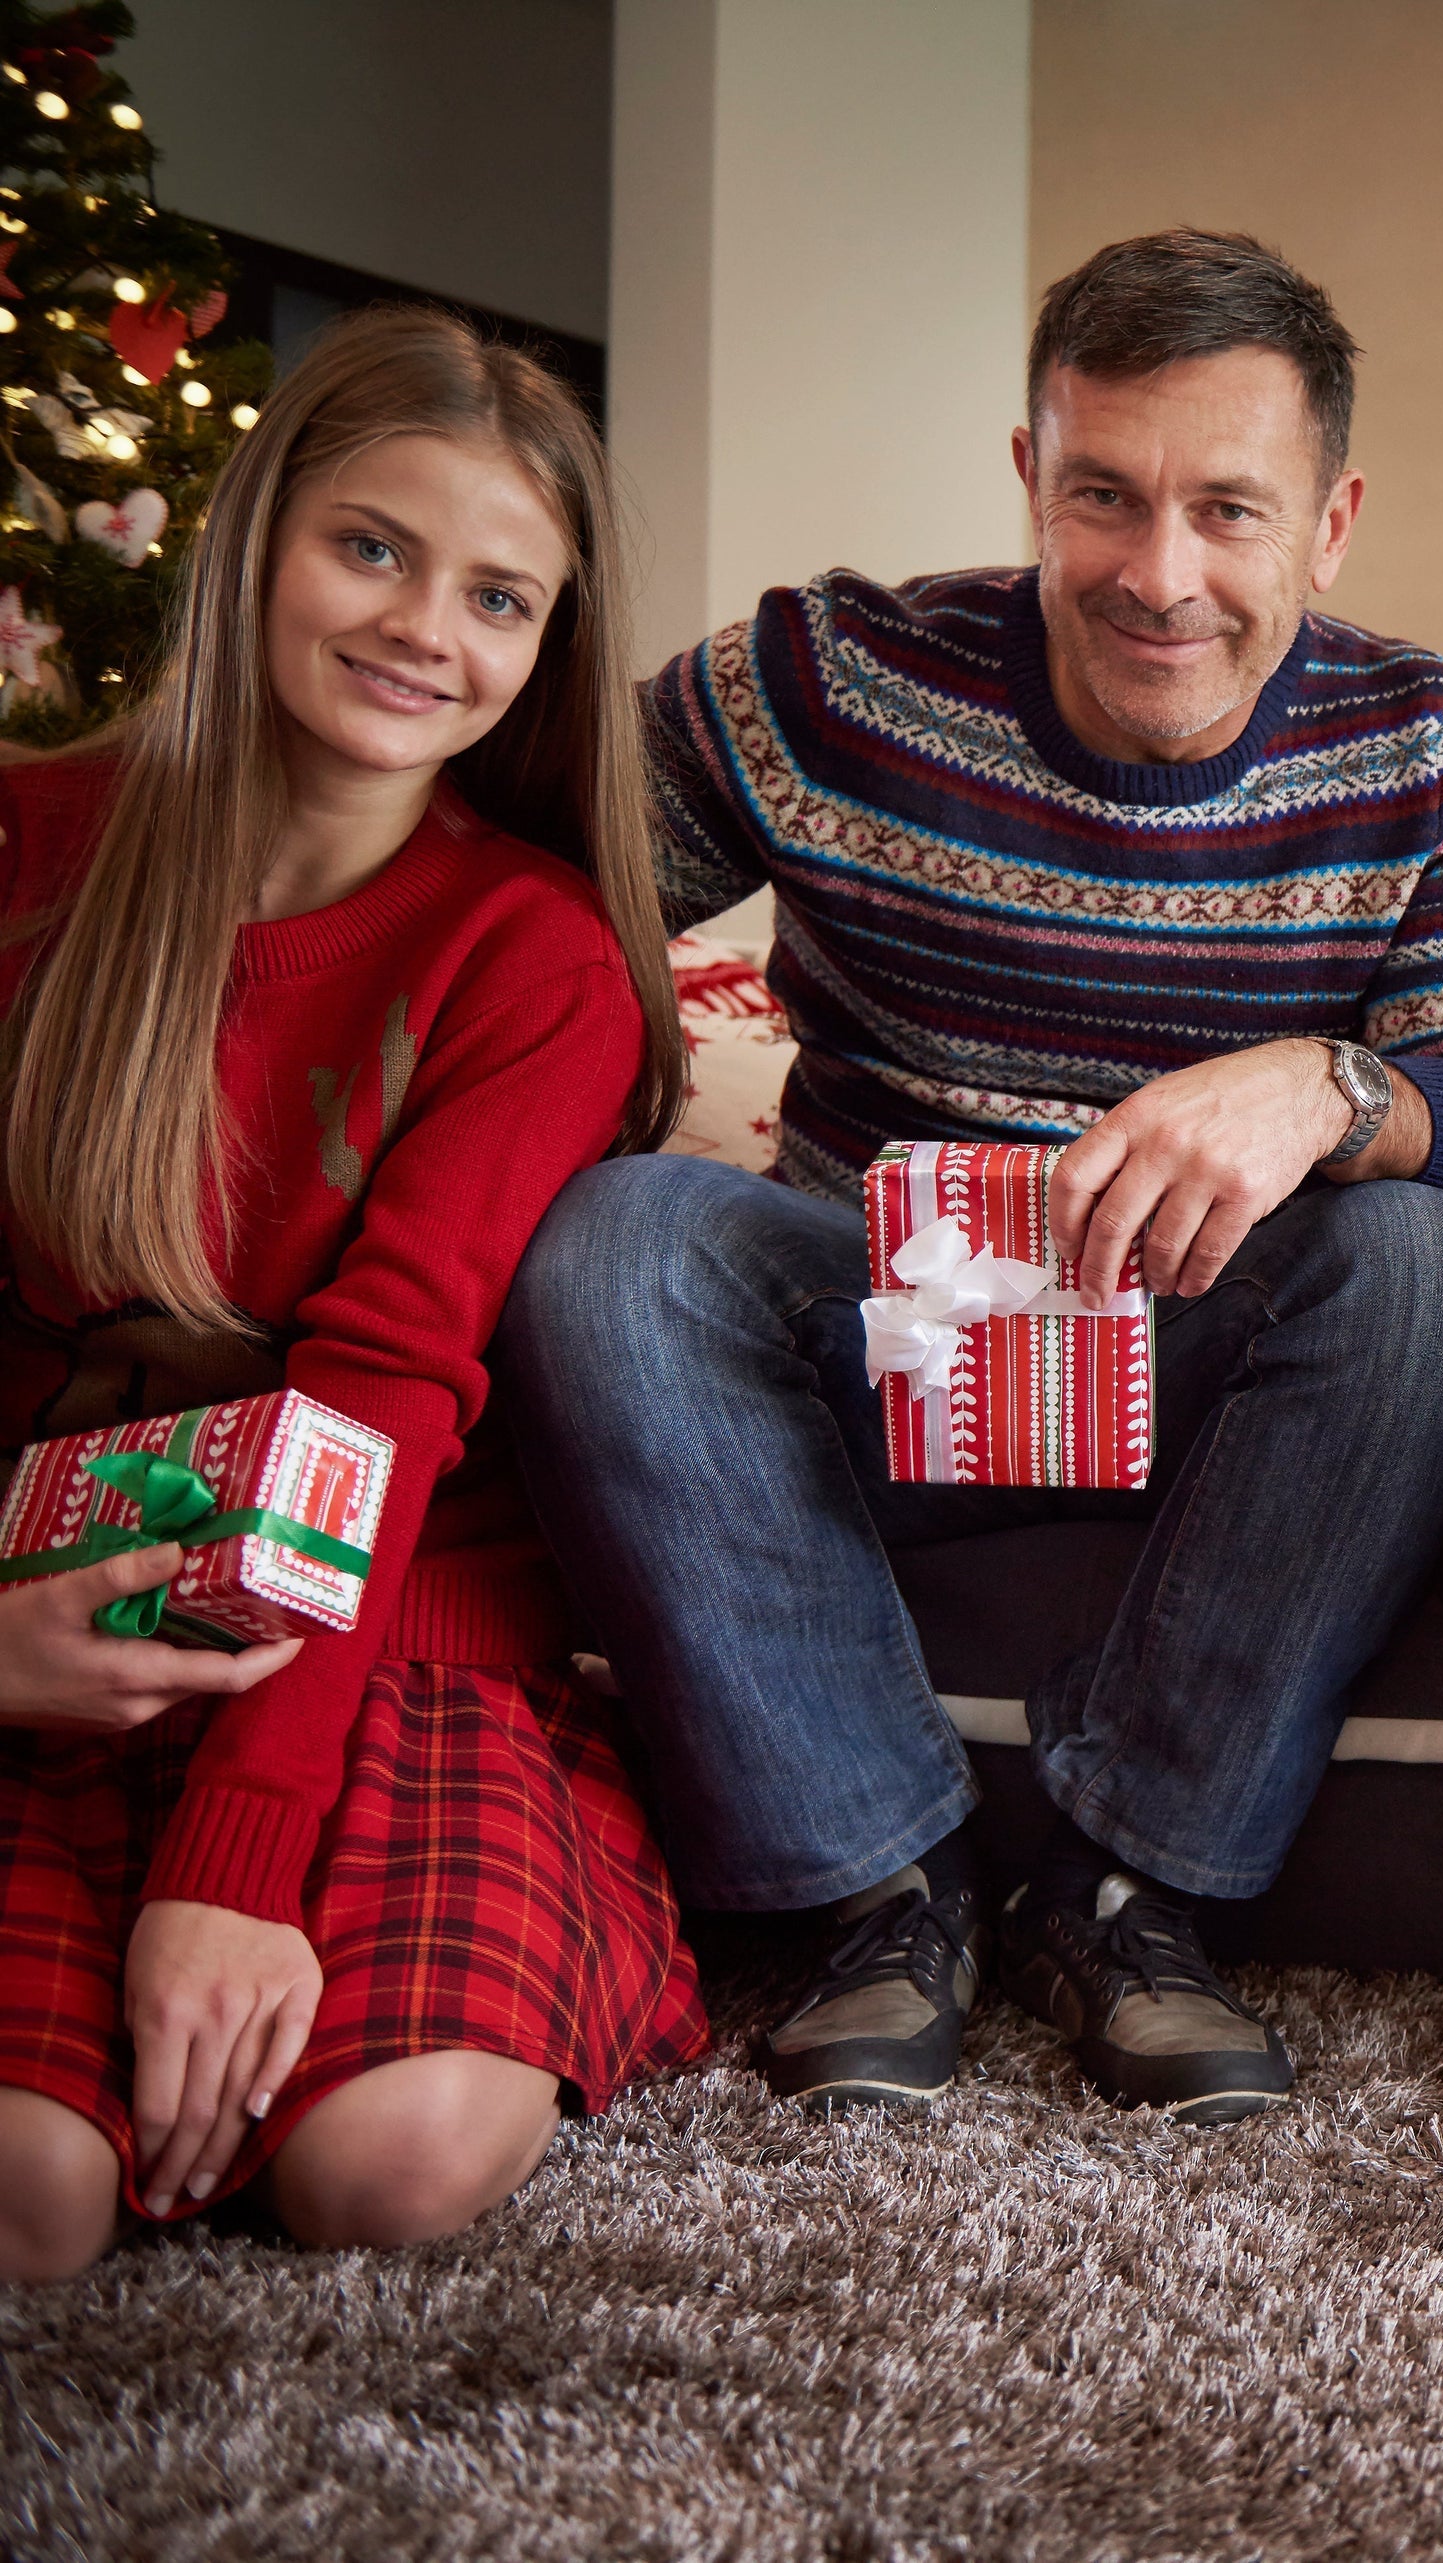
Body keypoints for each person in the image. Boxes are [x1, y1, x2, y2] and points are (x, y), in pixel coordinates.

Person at [496, 231, 1443, 2131]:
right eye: (1106, 496)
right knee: (622, 1240)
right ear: (1030, 475)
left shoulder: (1429, 742)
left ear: (1329, 522)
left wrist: (1324, 1086)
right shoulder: (826, 674)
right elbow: (525, 875)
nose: (1160, 575)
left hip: (1206, 1373)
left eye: (1228, 510)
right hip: (859, 1340)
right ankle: (873, 1882)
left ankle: (1125, 1884)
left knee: (1429, 1267)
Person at [0, 308, 705, 2279]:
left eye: (500, 596)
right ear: (257, 542)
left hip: (382, 1623)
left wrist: (232, 1865)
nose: (426, 630)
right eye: (373, 548)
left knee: (381, 2170)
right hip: (46, 1596)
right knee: (28, 2201)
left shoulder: (531, 950)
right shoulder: (27, 843)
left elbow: (382, 1391)